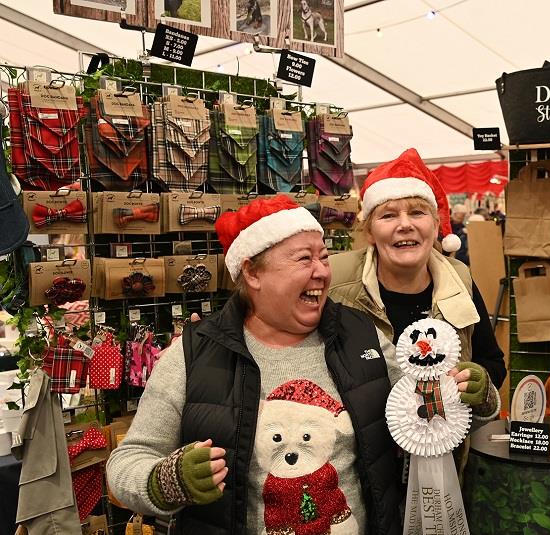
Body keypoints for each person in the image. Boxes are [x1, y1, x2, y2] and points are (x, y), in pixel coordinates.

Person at [107, 195, 487, 535]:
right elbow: (127, 462)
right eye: (304, 259)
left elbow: (428, 412)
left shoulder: (360, 335)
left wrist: (471, 396)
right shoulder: (195, 355)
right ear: (253, 273)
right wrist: (165, 482)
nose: (322, 271)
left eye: (322, 257)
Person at [328, 148, 506, 421]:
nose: (405, 225)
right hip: (359, 454)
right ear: (370, 232)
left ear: (435, 226)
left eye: (417, 213)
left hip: (443, 453)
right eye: (388, 216)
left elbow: (492, 363)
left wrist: (478, 382)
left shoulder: (459, 278)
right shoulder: (337, 281)